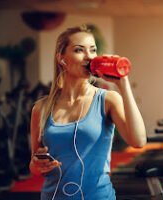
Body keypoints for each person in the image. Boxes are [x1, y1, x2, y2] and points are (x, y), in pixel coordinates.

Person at [29, 25, 147, 200]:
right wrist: (36, 164)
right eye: (79, 50)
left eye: (93, 50)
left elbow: (138, 141)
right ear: (62, 59)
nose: (89, 57)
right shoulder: (41, 108)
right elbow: (34, 164)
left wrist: (123, 85)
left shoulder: (108, 100)